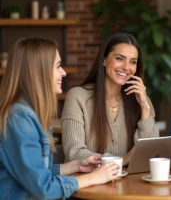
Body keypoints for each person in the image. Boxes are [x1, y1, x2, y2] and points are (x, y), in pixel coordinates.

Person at [0, 38, 120, 199]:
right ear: (39, 71)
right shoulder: (20, 119)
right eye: (57, 66)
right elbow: (43, 188)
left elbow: (35, 172)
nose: (63, 72)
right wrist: (93, 178)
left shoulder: (30, 113)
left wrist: (76, 165)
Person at [61, 33, 159, 165]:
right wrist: (121, 161)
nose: (126, 67)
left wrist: (145, 109)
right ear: (104, 59)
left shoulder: (141, 100)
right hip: (89, 183)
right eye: (119, 58)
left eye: (133, 62)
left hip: (130, 184)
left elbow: (149, 157)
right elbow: (74, 153)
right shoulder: (78, 97)